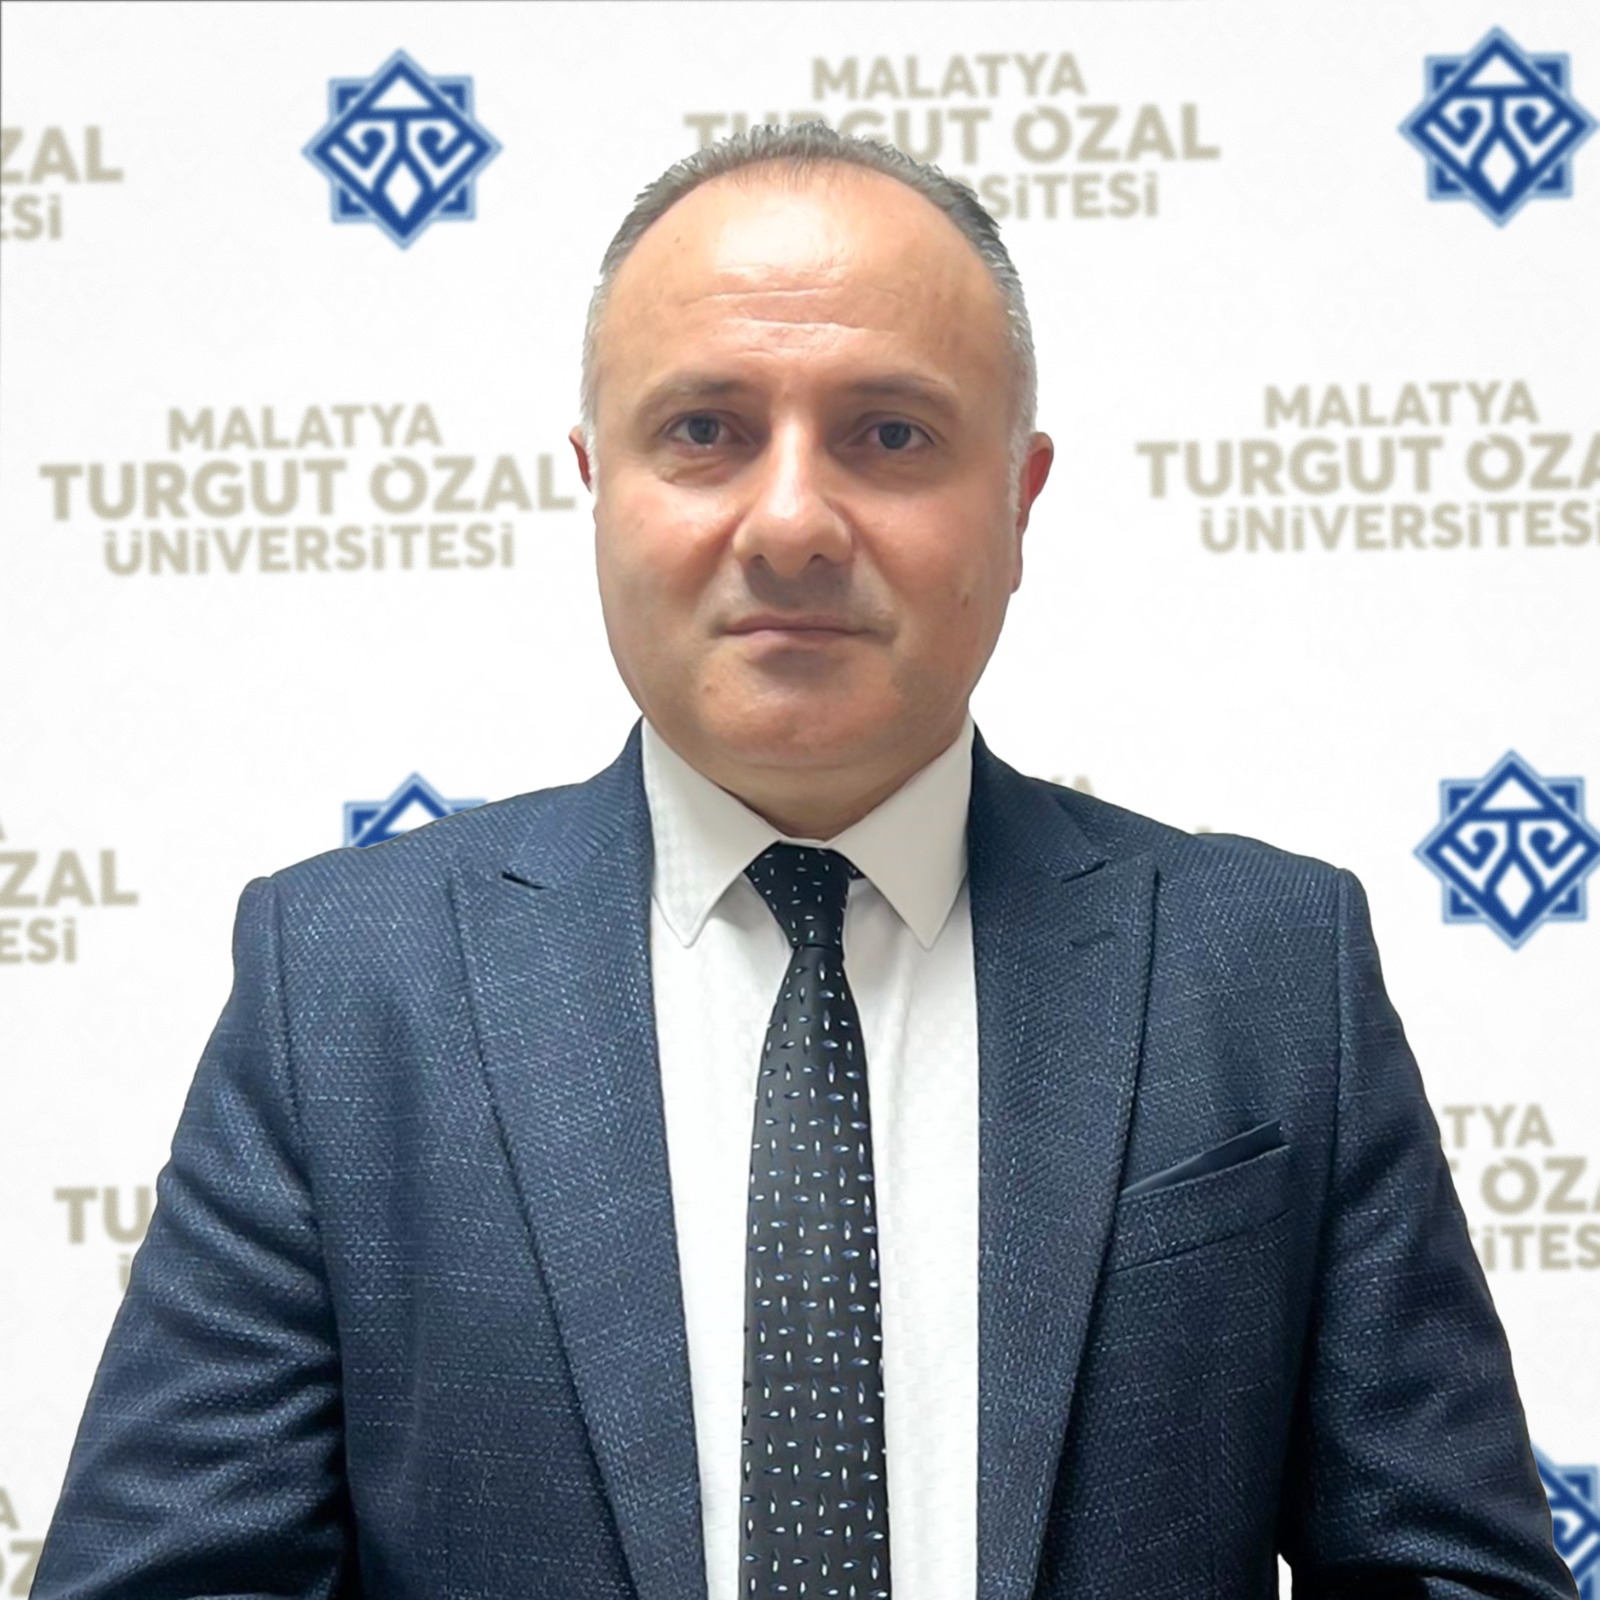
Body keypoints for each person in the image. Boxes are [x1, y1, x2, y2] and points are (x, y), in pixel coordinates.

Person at [35, 125, 1574, 1600]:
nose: (790, 523)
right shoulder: (345, 987)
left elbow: (1449, 1574)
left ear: (1020, 499)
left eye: (889, 436)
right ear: (596, 481)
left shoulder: (1268, 970)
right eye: (704, 432)